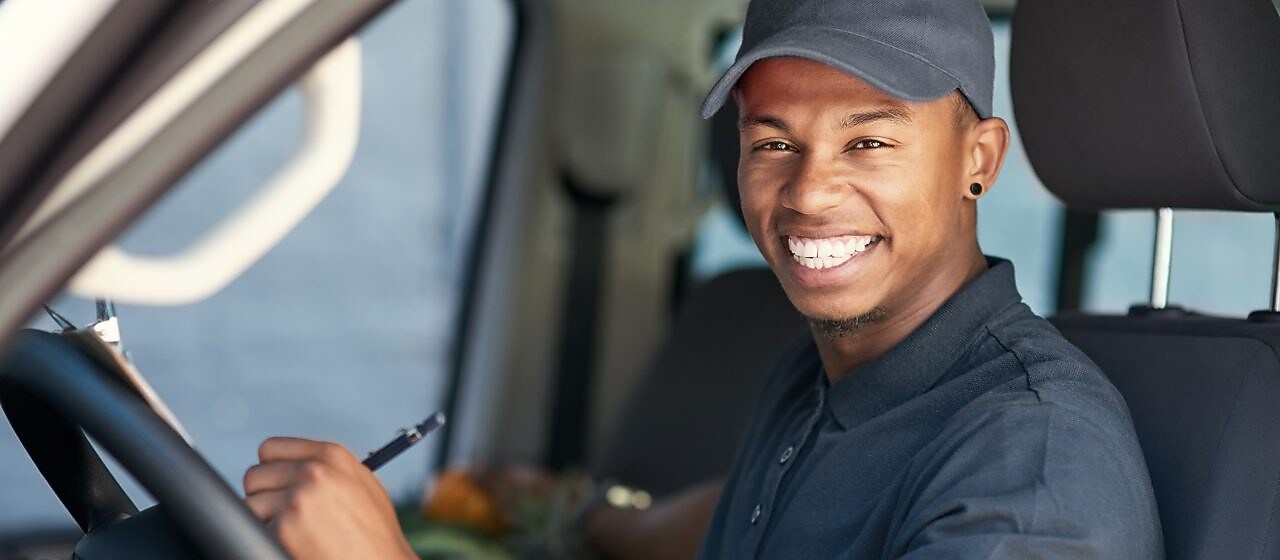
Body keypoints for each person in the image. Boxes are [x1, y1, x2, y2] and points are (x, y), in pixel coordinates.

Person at [243, 0, 1163, 558]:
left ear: (979, 159)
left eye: (869, 142)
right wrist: (575, 512)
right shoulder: (821, 375)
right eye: (775, 144)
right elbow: (742, 524)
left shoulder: (1031, 471)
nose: (808, 193)